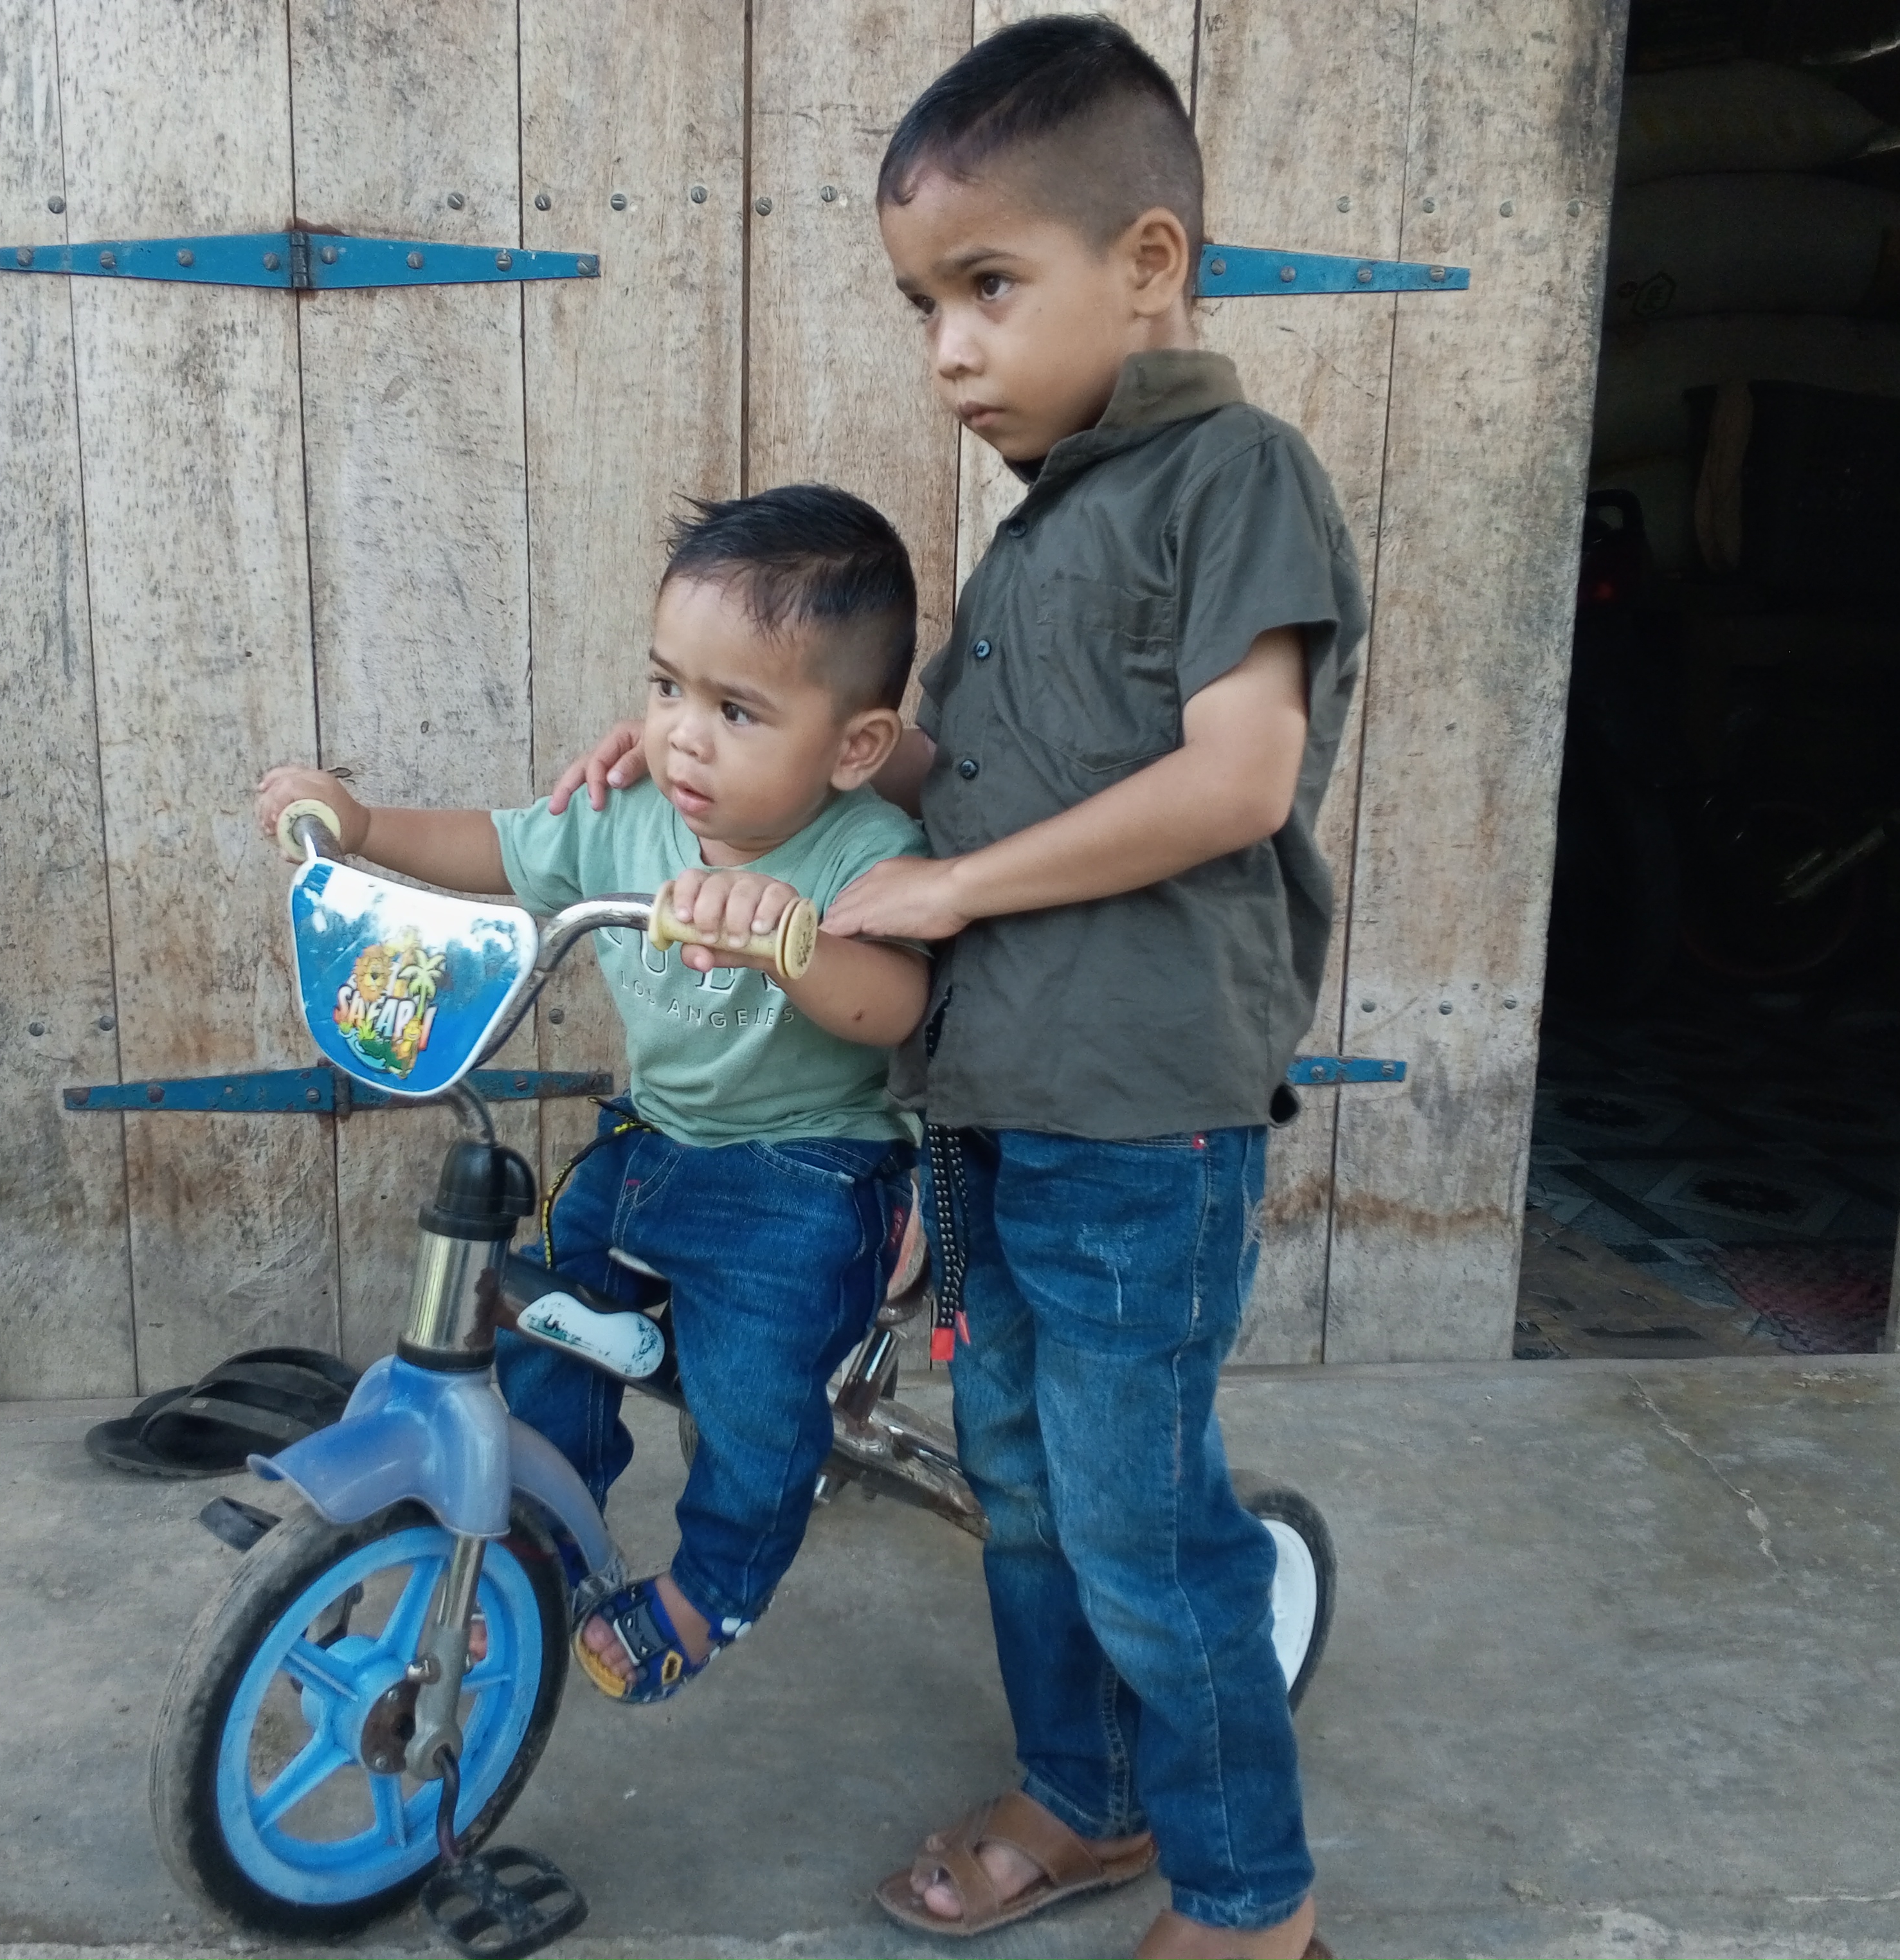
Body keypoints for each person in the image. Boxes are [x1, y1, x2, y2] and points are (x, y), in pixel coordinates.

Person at [544, 18, 1364, 1959]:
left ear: (1148, 264)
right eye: (925, 304)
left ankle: (1254, 1908)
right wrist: (717, 742)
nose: (948, 350)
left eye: (989, 287)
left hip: (1143, 1123)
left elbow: (1239, 779)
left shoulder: (1235, 477)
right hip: (996, 1108)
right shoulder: (1038, 535)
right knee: (1028, 1495)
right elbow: (946, 774)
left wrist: (950, 886)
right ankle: (1085, 1803)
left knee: (1145, 1533)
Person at [255, 483, 930, 1705]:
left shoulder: (866, 851)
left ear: (854, 746)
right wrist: (359, 825)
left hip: (807, 1170)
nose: (683, 737)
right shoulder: (630, 814)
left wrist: (793, 941)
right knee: (535, 1316)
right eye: (668, 688)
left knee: (755, 1393)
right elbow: (504, 850)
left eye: (737, 711)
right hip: (656, 1137)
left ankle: (715, 1584)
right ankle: (539, 1541)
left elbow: (896, 1005)